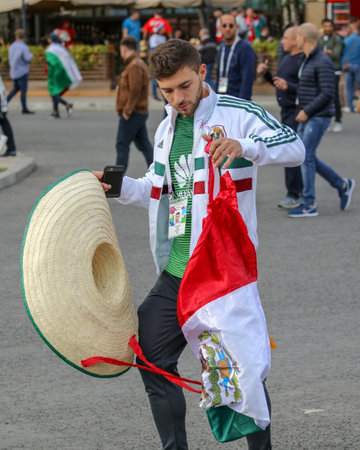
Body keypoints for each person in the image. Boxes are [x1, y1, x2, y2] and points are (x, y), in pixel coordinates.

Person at [94, 38, 305, 450]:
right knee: (151, 358)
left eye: (185, 86)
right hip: (176, 270)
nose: (177, 98)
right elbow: (155, 188)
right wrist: (113, 186)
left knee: (245, 373)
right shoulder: (165, 128)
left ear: (202, 74)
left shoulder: (239, 113)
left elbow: (295, 148)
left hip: (223, 275)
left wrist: (247, 147)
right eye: (167, 90)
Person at [287, 23, 354, 218]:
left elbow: (327, 93)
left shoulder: (322, 61)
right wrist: (288, 87)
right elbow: (305, 88)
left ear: (303, 39)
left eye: (298, 36)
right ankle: (342, 184)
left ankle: (309, 204)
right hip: (308, 114)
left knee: (306, 156)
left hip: (318, 116)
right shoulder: (307, 59)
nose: (296, 39)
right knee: (305, 156)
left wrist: (307, 111)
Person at [257, 26, 304, 209]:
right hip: (285, 111)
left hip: (296, 111)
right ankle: (340, 183)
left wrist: (289, 87)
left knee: (292, 153)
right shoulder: (286, 58)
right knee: (304, 156)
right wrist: (266, 73)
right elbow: (279, 83)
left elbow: (304, 88)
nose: (282, 41)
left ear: (295, 40)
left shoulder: (301, 60)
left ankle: (294, 193)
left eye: (285, 38)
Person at [115, 36, 153, 172]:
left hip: (134, 112)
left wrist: (127, 111)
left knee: (122, 144)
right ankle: (159, 174)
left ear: (124, 48)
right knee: (144, 145)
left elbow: (135, 90)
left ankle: (116, 180)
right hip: (138, 111)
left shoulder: (134, 66)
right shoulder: (135, 64)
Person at [216, 14, 256, 100]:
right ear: (220, 28)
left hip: (238, 101)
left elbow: (247, 78)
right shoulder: (221, 50)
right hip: (223, 99)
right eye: (224, 25)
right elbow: (219, 76)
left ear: (236, 27)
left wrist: (242, 103)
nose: (227, 29)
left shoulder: (245, 48)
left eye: (231, 25)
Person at [45, 33, 82, 119]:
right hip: (61, 73)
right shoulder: (61, 48)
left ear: (51, 40)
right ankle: (55, 111)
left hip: (54, 74)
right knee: (56, 91)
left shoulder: (50, 50)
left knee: (53, 92)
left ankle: (67, 105)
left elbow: (51, 63)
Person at [319, 18, 344, 132]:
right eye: (325, 26)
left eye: (330, 26)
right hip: (322, 71)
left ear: (333, 27)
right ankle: (327, 120)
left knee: (334, 96)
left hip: (334, 71)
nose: (327, 28)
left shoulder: (336, 39)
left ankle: (338, 120)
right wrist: (328, 52)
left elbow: (336, 54)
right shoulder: (320, 40)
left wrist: (329, 52)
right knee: (324, 96)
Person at [7, 29, 34, 115]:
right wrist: (31, 56)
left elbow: (10, 59)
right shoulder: (24, 47)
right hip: (22, 71)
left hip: (14, 71)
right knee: (23, 90)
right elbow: (27, 59)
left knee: (15, 89)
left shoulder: (11, 46)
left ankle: (4, 103)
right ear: (24, 37)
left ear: (16, 36)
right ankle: (24, 108)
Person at [342, 22, 360, 113]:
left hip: (347, 65)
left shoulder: (346, 39)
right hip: (358, 64)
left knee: (349, 86)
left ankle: (351, 106)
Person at [0, 73, 17, 157]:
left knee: (5, 124)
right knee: (5, 123)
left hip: (1, 103)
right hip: (2, 103)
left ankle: (11, 148)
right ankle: (11, 149)